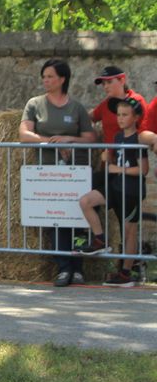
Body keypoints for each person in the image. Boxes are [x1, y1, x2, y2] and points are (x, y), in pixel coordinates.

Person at [19, 58, 97, 287]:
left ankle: (78, 267)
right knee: (56, 219)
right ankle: (63, 267)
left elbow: (91, 137)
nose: (46, 80)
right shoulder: (34, 104)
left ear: (62, 79)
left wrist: (70, 139)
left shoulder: (76, 107)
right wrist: (51, 142)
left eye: (50, 76)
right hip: (48, 173)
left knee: (78, 218)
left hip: (76, 172)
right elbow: (24, 134)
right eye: (44, 77)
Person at [78, 97, 150, 287]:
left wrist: (119, 170)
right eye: (118, 115)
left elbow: (143, 170)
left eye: (125, 115)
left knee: (129, 232)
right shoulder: (118, 137)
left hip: (131, 190)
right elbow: (115, 162)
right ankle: (100, 239)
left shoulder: (139, 138)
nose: (120, 118)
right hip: (116, 186)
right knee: (86, 201)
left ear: (135, 117)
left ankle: (126, 272)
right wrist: (107, 160)